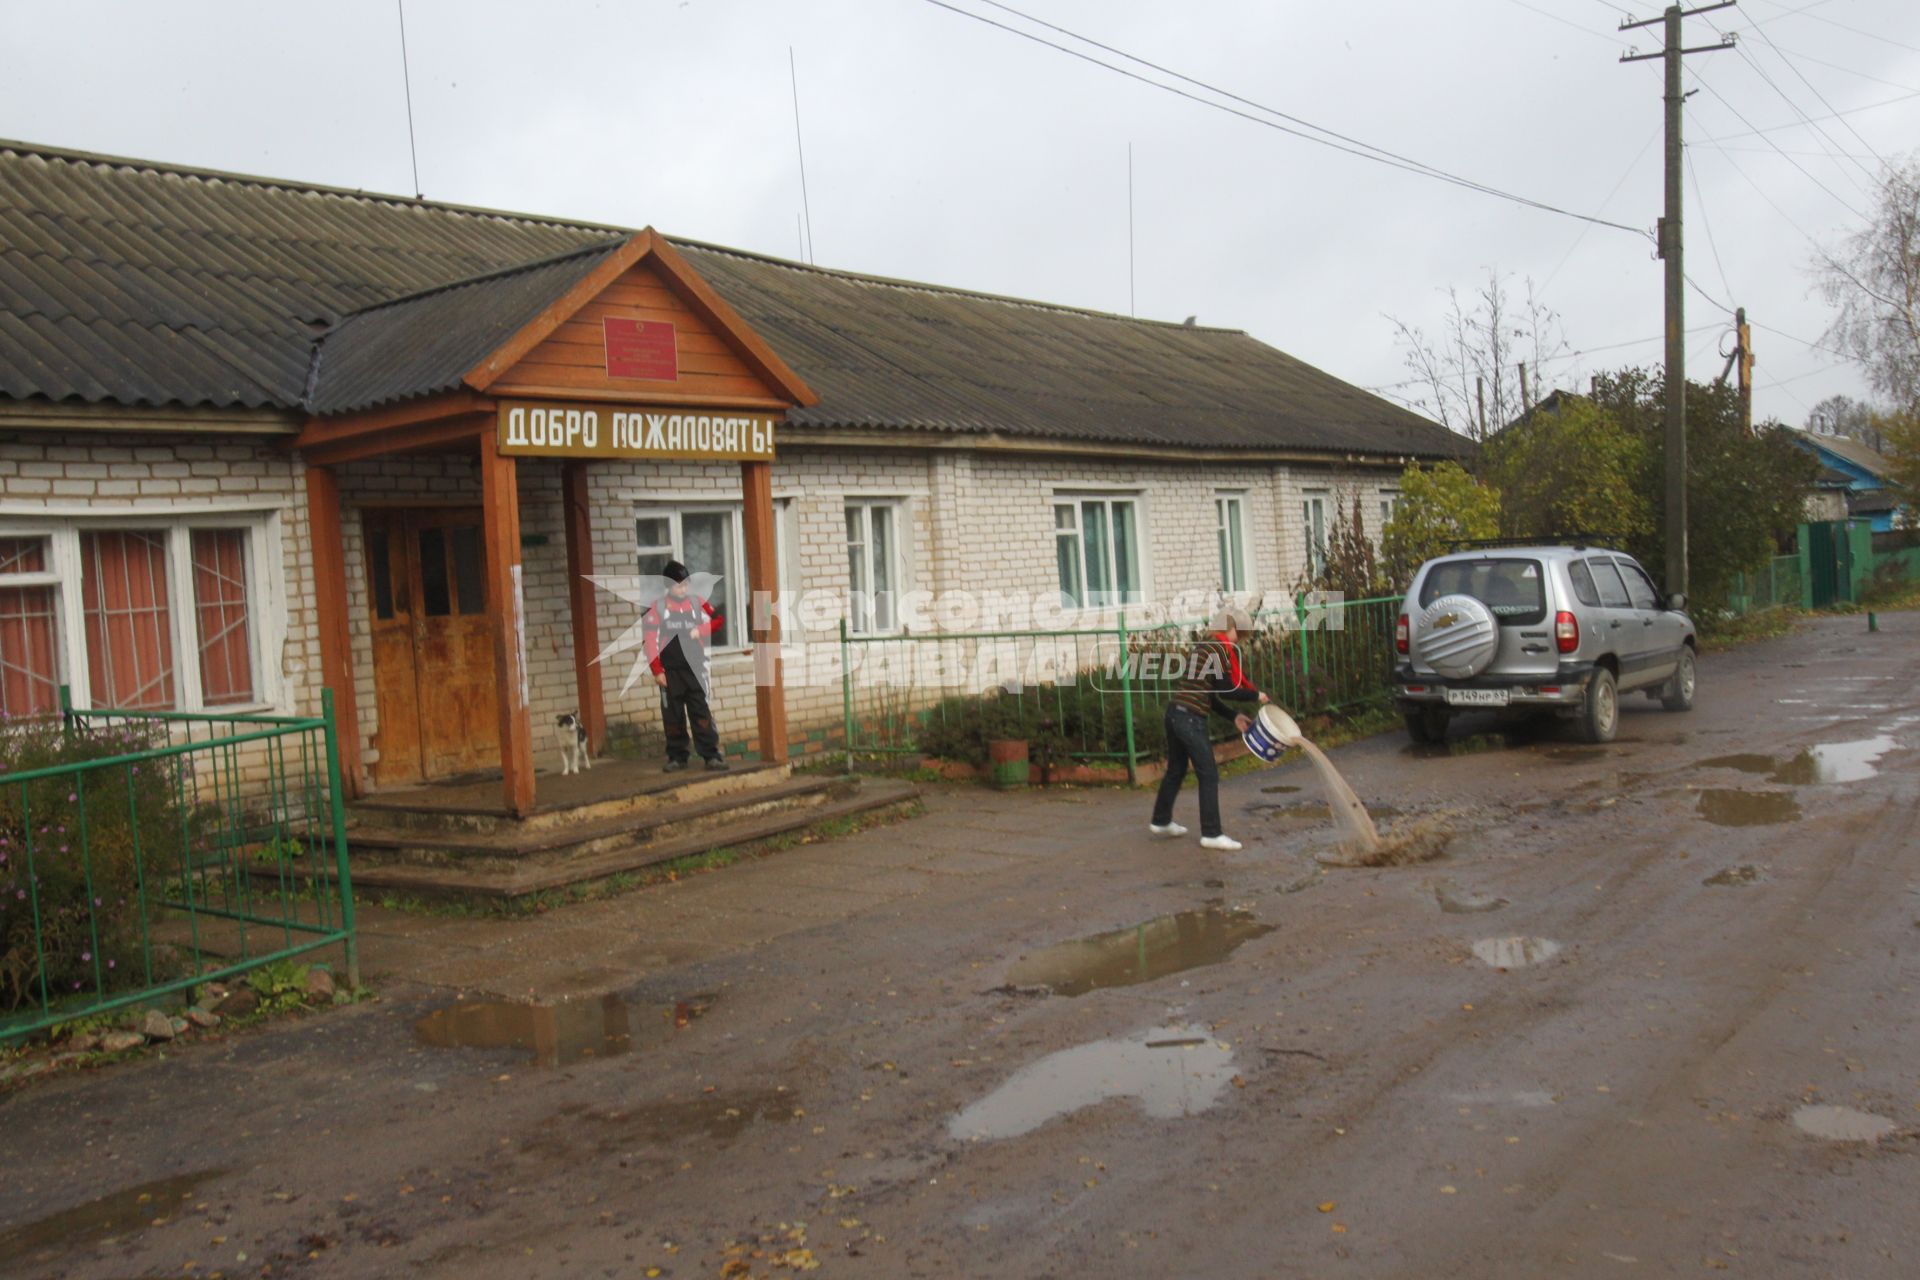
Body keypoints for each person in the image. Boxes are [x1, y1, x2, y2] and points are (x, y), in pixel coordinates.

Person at [1149, 604, 1269, 851]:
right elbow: (1228, 688)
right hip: (1190, 719)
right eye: (1240, 634)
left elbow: (1210, 695)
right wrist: (1256, 695)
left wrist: (1234, 716)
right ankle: (1212, 834)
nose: (1240, 641)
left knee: (1177, 769)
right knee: (1208, 774)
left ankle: (1161, 820)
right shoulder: (1218, 648)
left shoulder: (1204, 647)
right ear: (1231, 628)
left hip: (1174, 714)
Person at [643, 560, 728, 771]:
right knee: (673, 717)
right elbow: (650, 641)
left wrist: (701, 630)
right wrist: (657, 671)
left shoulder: (697, 603)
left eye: (685, 584)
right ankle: (677, 757)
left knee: (701, 712)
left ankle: (711, 755)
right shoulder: (658, 608)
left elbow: (718, 620)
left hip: (694, 669)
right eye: (678, 584)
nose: (683, 588)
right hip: (669, 673)